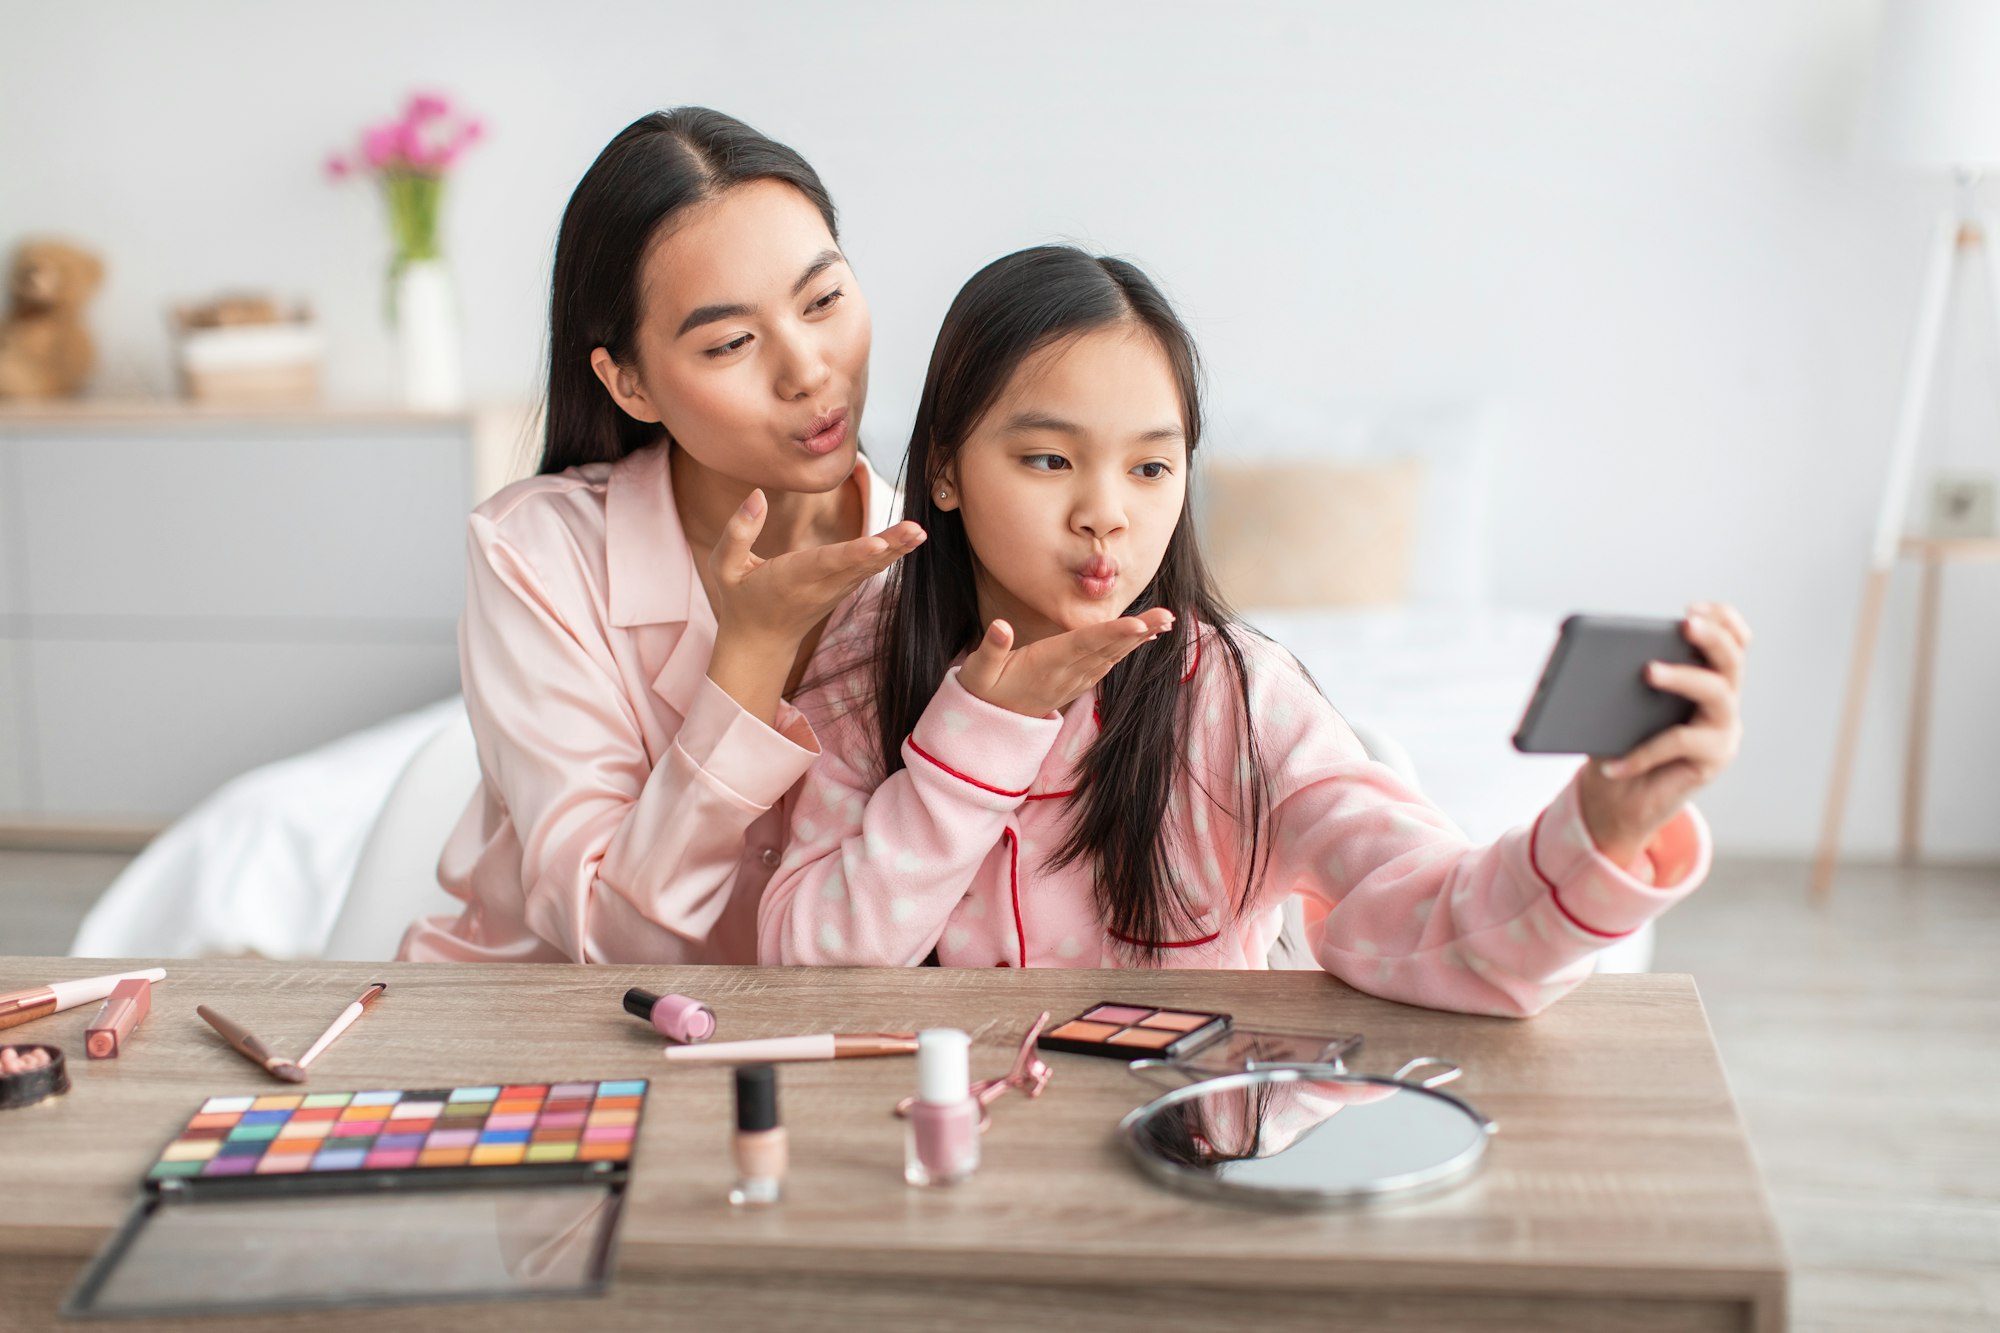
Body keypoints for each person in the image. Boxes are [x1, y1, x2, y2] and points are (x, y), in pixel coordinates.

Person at [759, 245, 1749, 1016]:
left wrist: (1605, 831)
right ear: (942, 470)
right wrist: (976, 731)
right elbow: (803, 964)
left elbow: (1434, 928)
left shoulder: (1235, 699)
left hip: (1189, 1179)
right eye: (1049, 460)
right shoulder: (860, 664)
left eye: (1150, 468)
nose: (1106, 514)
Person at [401, 108, 922, 965]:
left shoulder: (936, 560)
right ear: (629, 382)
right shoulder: (535, 554)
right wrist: (746, 661)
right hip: (530, 1040)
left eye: (824, 299)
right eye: (731, 342)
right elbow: (610, 941)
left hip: (798, 1054)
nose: (807, 370)